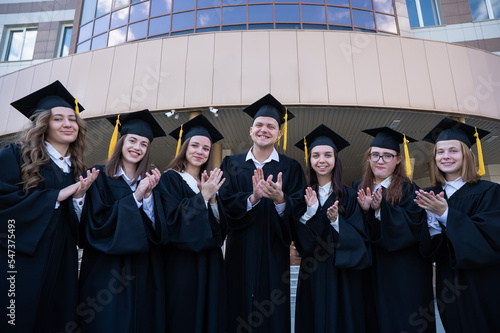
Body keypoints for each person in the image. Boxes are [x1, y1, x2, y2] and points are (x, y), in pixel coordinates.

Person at [0, 81, 98, 332]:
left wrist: (79, 198)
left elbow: (81, 226)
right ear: (43, 125)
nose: (68, 124)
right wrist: (55, 196)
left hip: (62, 260)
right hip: (19, 260)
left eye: (72, 119)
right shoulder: (15, 156)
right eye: (58, 119)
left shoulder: (77, 169)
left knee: (56, 317)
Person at [219, 94, 306, 333]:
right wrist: (252, 198)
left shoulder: (291, 168)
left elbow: (299, 211)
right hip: (239, 253)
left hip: (274, 255)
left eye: (271, 126)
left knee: (271, 317)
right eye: (259, 125)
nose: (264, 130)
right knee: (236, 310)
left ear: (279, 133)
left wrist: (281, 200)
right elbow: (223, 203)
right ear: (250, 130)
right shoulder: (231, 164)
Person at [78, 109, 166, 332]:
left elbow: (158, 231)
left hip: (141, 271)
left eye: (144, 144)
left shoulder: (151, 182)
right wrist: (135, 196)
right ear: (121, 141)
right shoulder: (98, 176)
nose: (137, 147)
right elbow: (96, 224)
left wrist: (147, 197)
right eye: (133, 140)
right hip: (106, 270)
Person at [416, 117, 500, 332]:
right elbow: (430, 251)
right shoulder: (432, 195)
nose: (446, 157)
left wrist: (445, 214)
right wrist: (432, 225)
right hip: (448, 283)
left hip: (482, 282)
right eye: (440, 152)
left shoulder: (490, 191)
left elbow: (490, 238)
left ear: (466, 155)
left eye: (453, 151)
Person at [353, 127, 435, 333]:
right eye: (375, 155)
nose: (380, 161)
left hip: (403, 275)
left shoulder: (410, 190)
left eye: (387, 156)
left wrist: (381, 210)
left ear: (398, 159)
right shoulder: (356, 188)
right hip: (368, 274)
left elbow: (414, 229)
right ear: (368, 158)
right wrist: (363, 213)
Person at [292, 125, 371, 333]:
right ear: (310, 161)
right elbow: (302, 244)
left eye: (328, 155)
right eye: (316, 155)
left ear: (336, 160)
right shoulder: (302, 196)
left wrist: (337, 222)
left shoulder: (351, 196)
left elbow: (361, 240)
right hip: (312, 273)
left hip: (342, 276)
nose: (322, 160)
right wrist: (310, 213)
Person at [156, 114, 227, 333]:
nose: (200, 151)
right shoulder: (169, 179)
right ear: (184, 147)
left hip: (210, 264)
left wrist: (213, 200)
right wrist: (202, 198)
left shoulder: (210, 183)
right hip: (182, 266)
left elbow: (220, 231)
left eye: (206, 148)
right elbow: (172, 223)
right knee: (183, 317)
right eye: (194, 145)